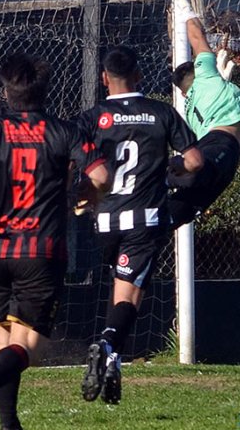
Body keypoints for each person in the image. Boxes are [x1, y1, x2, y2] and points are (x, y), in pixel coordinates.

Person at [0, 53, 109, 430]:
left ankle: (9, 428)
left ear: (7, 91)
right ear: (45, 91)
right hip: (42, 252)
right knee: (29, 349)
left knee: (5, 340)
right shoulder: (65, 131)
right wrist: (88, 195)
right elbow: (101, 174)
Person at [77, 45, 203, 405]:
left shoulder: (93, 117)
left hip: (104, 221)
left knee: (120, 290)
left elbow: (74, 156)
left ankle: (113, 362)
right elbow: (194, 161)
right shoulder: (161, 112)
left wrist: (81, 191)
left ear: (104, 79)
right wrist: (172, 169)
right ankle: (106, 345)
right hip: (144, 220)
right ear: (139, 75)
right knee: (131, 295)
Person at [166, 0, 240, 228]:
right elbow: (196, 36)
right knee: (194, 176)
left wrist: (223, 83)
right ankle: (155, 176)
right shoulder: (206, 74)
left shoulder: (191, 110)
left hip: (223, 158)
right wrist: (185, 9)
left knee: (173, 216)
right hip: (223, 147)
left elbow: (209, 117)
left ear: (183, 93)